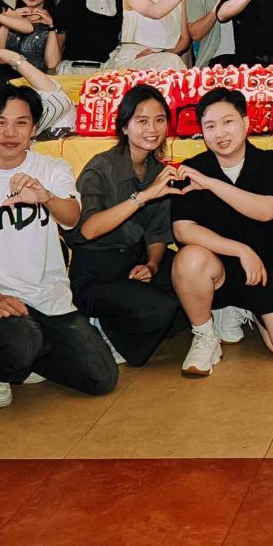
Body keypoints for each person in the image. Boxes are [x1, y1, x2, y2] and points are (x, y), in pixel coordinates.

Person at [0, 84, 118, 408]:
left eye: (21, 123)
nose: (10, 132)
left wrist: (46, 197)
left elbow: (71, 218)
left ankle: (29, 356)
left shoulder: (50, 169)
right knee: (19, 342)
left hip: (48, 296)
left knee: (101, 378)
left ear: (34, 129)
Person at [172, 88, 273, 376]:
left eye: (228, 122)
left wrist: (211, 184)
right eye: (209, 126)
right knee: (189, 259)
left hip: (263, 269)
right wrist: (240, 250)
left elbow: (266, 210)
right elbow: (183, 230)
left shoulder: (268, 162)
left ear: (246, 122)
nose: (219, 133)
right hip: (214, 270)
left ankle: (245, 309)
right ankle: (205, 335)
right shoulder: (191, 170)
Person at [69, 85, 186, 366]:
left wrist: (151, 266)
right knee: (162, 307)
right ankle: (103, 327)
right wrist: (143, 196)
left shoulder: (158, 171)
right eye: (142, 121)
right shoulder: (101, 167)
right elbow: (88, 229)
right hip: (96, 271)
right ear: (124, 126)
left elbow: (157, 234)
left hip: (134, 259)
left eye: (159, 120)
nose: (152, 129)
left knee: (191, 285)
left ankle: (119, 320)